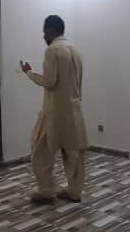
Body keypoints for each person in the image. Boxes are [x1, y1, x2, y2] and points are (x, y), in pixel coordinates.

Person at [20, 15, 88, 204]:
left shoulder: (52, 50)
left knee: (40, 151)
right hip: (74, 110)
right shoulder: (75, 51)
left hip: (54, 112)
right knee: (74, 154)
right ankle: (74, 192)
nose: (44, 36)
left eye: (45, 32)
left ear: (52, 30)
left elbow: (49, 81)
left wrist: (29, 73)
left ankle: (46, 191)